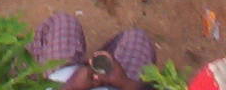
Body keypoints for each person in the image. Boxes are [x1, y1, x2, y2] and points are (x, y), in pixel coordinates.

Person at [28, 12, 158, 90]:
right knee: (137, 38)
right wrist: (125, 83)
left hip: (59, 83)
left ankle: (33, 75)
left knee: (63, 22)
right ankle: (93, 69)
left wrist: (72, 86)